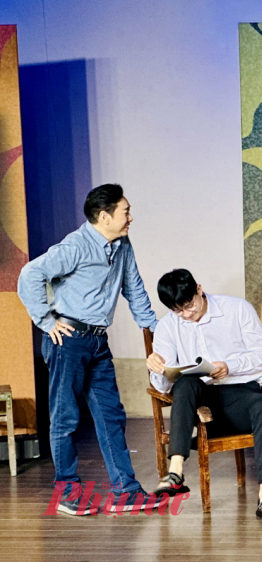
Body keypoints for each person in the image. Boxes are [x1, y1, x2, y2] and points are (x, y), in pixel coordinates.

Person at [17, 184, 157, 515]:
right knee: (65, 416)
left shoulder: (122, 245)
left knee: (111, 414)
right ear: (104, 216)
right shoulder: (75, 246)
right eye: (125, 212)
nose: (130, 218)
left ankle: (126, 491)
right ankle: (67, 491)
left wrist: (155, 332)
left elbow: (134, 288)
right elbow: (29, 274)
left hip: (97, 340)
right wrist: (46, 321)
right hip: (67, 340)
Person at [144, 269, 262, 523]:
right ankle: (175, 471)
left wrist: (230, 366)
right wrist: (157, 367)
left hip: (239, 396)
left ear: (199, 289)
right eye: (178, 310)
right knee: (185, 382)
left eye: (189, 305)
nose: (186, 314)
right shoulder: (167, 326)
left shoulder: (237, 309)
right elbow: (164, 387)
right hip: (198, 406)